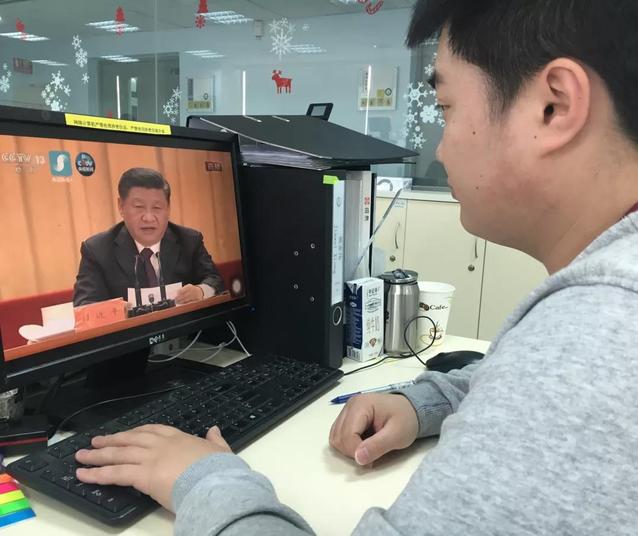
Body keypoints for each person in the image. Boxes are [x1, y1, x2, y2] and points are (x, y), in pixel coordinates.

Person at [74, 1, 638, 533]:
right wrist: (425, 402)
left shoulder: (596, 335)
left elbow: (563, 387)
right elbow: (522, 386)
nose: (440, 149)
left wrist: (205, 481)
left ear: (554, 106)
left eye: (446, 108)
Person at [72, 167, 224, 307]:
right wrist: (112, 311)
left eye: (157, 207)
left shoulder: (189, 240)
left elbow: (215, 279)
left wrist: (201, 291)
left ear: (168, 208)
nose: (149, 218)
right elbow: (84, 303)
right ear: (121, 206)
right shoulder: (97, 250)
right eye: (139, 207)